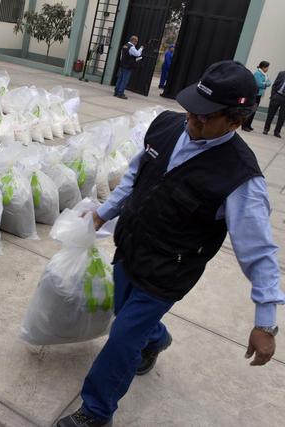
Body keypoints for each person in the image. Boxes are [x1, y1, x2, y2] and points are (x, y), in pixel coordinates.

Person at [56, 60, 284, 427]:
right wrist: (103, 213)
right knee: (126, 314)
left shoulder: (240, 177)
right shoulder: (165, 127)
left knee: (122, 338)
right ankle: (156, 338)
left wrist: (266, 322)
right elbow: (134, 177)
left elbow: (259, 252)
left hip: (167, 272)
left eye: (205, 117)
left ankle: (96, 412)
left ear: (235, 120)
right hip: (130, 248)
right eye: (192, 109)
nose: (192, 120)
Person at [243, 61, 271, 131]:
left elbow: (270, 82)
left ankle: (249, 125)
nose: (268, 69)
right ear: (263, 67)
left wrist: (265, 83)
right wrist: (265, 83)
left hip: (259, 95)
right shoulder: (258, 73)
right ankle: (244, 126)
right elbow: (259, 84)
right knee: (251, 110)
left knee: (254, 110)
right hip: (255, 94)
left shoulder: (264, 74)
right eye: (267, 67)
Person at [114, 36, 144, 100]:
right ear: (133, 41)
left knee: (120, 79)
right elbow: (138, 54)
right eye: (136, 41)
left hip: (122, 65)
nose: (136, 43)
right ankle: (120, 93)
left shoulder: (125, 45)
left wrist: (122, 63)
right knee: (124, 80)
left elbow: (121, 56)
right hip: (128, 66)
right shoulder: (131, 47)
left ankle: (116, 92)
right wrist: (141, 48)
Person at [263, 69, 285, 138]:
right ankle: (266, 129)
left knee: (282, 116)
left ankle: (277, 131)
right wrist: (273, 95)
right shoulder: (281, 73)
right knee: (270, 114)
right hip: (277, 95)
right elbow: (275, 84)